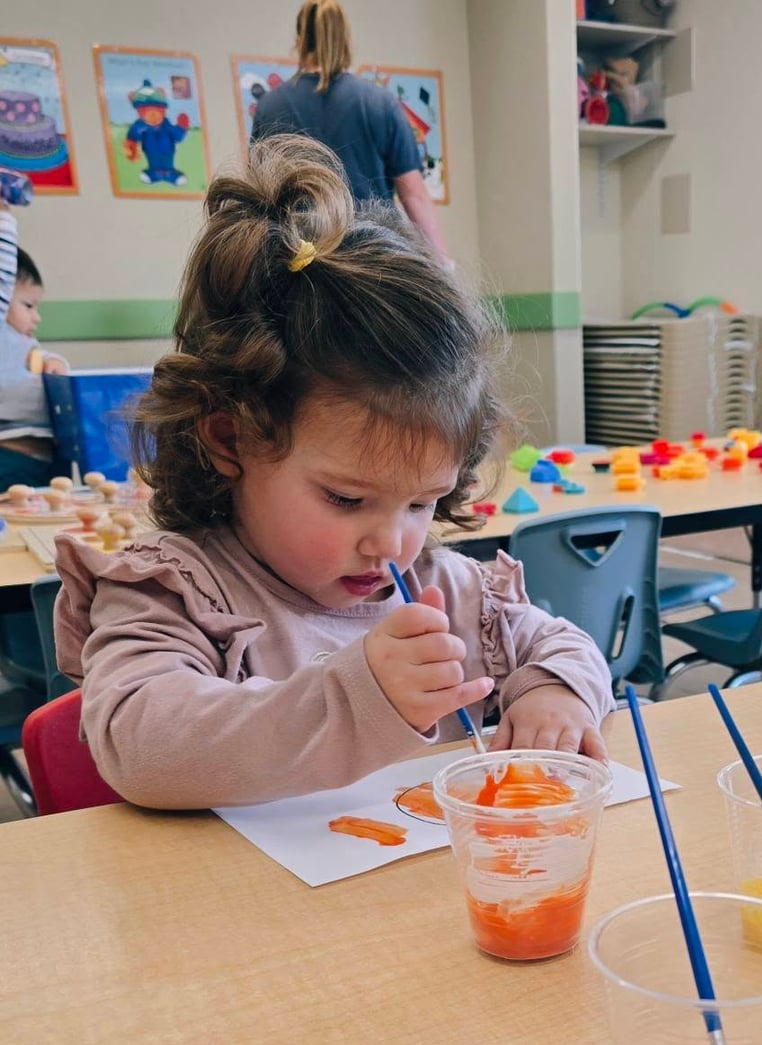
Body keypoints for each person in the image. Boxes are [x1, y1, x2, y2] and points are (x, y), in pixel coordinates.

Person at [54, 135, 613, 811]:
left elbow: (562, 642)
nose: (393, 543)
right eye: (347, 499)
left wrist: (554, 689)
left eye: (421, 503)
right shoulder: (176, 593)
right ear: (232, 439)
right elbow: (143, 746)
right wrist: (357, 697)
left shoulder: (443, 588)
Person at [250, 0, 449, 261]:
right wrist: (444, 267)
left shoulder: (270, 108)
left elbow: (259, 199)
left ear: (299, 42)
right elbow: (415, 197)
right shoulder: (379, 103)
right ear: (346, 41)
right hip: (374, 262)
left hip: (302, 263)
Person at [0, 193, 67, 488]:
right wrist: (4, 218)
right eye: (28, 305)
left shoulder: (25, 343)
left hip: (45, 461)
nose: (36, 317)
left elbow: (43, 359)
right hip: (10, 459)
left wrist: (55, 361)